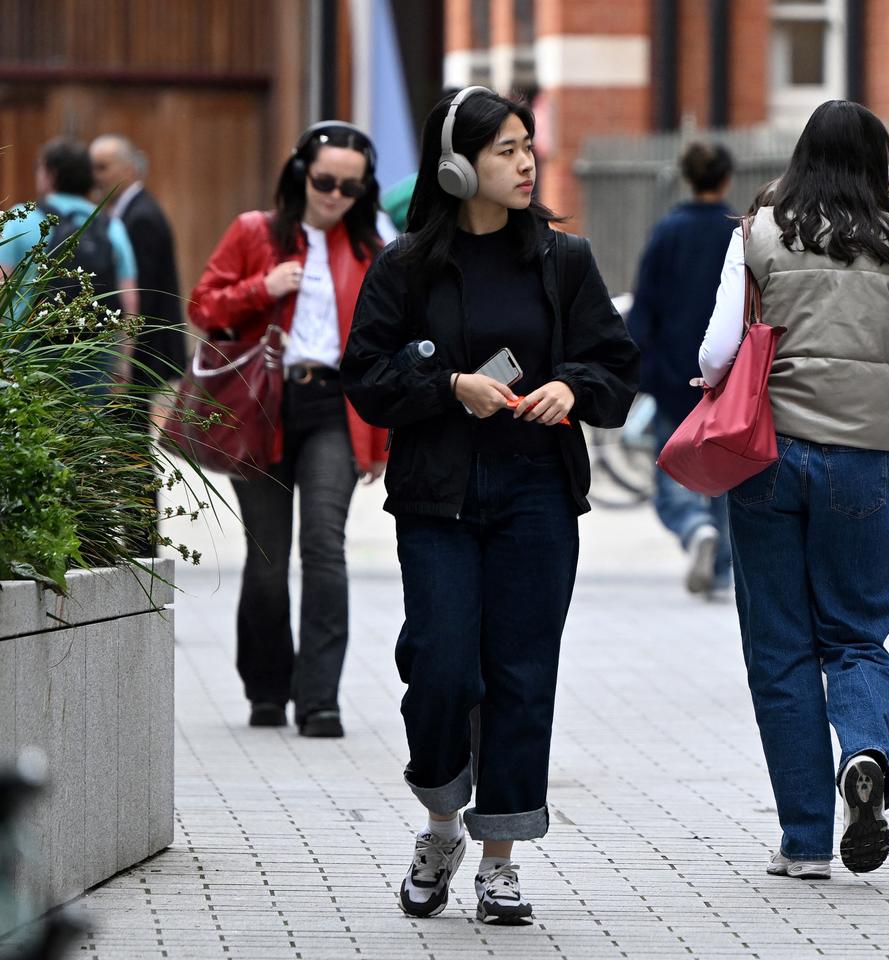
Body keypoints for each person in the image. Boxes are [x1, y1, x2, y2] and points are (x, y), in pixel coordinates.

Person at [340, 86, 638, 926]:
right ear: (456, 164)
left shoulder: (562, 260)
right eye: (505, 148)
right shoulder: (405, 267)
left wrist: (567, 390)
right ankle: (441, 824)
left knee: (519, 675)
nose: (525, 160)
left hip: (537, 496)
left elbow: (617, 368)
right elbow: (366, 377)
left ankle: (499, 859)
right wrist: (447, 387)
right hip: (437, 501)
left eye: (526, 145)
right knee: (440, 668)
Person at [698, 100, 889, 879]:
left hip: (769, 460)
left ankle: (805, 841)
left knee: (779, 650)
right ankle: (865, 750)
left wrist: (714, 380)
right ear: (879, 168)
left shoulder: (756, 232)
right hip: (864, 467)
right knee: (858, 637)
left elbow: (714, 354)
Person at [189, 121, 389, 738]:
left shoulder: (371, 253)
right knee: (269, 560)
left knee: (325, 548)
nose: (334, 196)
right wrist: (262, 287)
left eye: (350, 188)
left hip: (336, 407)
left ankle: (320, 698)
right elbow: (202, 305)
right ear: (300, 172)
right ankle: (268, 687)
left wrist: (382, 437)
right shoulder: (255, 232)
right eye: (324, 180)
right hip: (262, 405)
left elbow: (386, 348)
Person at [628, 142, 737, 596]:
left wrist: (640, 364)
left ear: (688, 178)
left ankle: (693, 529)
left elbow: (644, 305)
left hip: (674, 372)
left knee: (672, 471)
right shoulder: (741, 232)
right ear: (727, 178)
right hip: (730, 378)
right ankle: (720, 563)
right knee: (729, 475)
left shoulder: (667, 231)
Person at [0, 138, 141, 385]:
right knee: (86, 421)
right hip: (95, 353)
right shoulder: (111, 226)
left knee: (33, 421)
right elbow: (129, 298)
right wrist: (123, 362)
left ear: (49, 174)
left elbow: (3, 285)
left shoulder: (20, 220)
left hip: (28, 352)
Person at [89, 134, 187, 389]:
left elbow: (142, 294)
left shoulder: (141, 217)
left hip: (145, 351)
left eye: (102, 167)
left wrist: (125, 355)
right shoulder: (128, 211)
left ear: (129, 169)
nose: (95, 176)